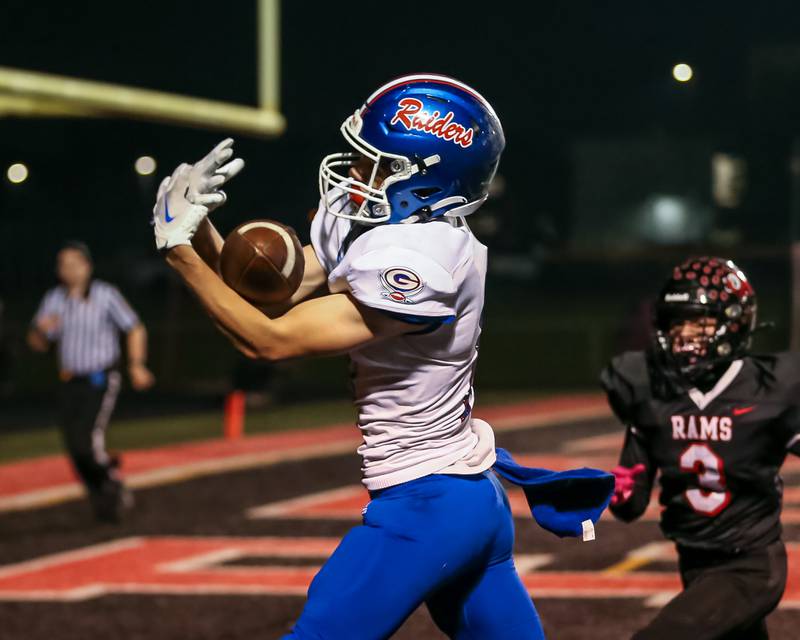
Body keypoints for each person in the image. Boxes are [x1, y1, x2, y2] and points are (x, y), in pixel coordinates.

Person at [152, 74, 611, 640]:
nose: (354, 174)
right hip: (466, 495)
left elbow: (267, 339)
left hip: (426, 505)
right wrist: (201, 232)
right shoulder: (395, 225)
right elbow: (276, 291)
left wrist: (175, 250)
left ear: (426, 178)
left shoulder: (423, 259)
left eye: (377, 164)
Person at [603, 256, 795, 640]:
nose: (687, 334)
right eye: (679, 322)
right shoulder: (651, 391)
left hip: (750, 565)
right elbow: (630, 504)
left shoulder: (766, 390)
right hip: (692, 559)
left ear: (735, 322)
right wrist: (619, 491)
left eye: (700, 322)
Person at [28, 241, 155, 522]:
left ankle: (112, 482)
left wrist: (136, 365)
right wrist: (40, 330)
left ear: (87, 266)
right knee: (73, 446)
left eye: (74, 263)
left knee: (87, 441)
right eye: (63, 264)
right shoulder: (54, 299)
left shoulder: (105, 295)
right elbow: (36, 342)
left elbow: (134, 327)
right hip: (68, 381)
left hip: (99, 378)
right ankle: (101, 489)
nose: (68, 269)